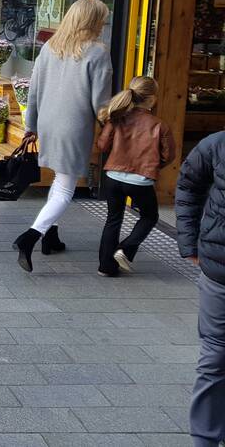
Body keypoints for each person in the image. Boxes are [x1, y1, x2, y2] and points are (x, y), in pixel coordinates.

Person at [13, 0, 113, 272]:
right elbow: (100, 101)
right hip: (75, 125)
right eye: (102, 18)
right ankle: (30, 236)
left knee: (59, 180)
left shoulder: (50, 46)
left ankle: (51, 237)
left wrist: (30, 125)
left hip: (48, 121)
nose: (104, 23)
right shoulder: (97, 52)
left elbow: (33, 90)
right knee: (66, 188)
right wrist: (113, 119)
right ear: (92, 21)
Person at [94, 76, 175, 276]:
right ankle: (126, 249)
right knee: (149, 216)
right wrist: (151, 167)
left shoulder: (117, 118)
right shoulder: (158, 124)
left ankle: (106, 267)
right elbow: (169, 156)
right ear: (151, 99)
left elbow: (102, 146)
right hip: (141, 179)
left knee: (113, 219)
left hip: (113, 177)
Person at [175, 131, 225, 447]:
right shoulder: (216, 145)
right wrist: (188, 242)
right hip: (219, 272)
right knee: (216, 356)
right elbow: (188, 186)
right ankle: (204, 439)